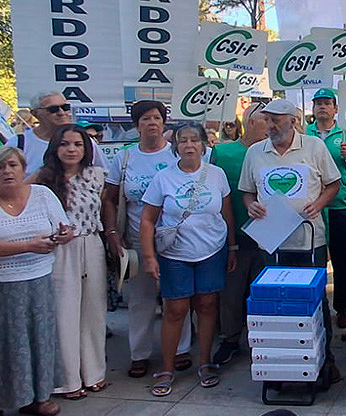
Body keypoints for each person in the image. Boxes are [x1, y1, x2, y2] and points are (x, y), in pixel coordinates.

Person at [239, 98, 342, 382]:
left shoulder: (314, 147)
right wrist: (251, 206)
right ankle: (281, 361)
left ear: (293, 121)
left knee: (315, 300)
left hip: (310, 239)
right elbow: (247, 191)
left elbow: (333, 184)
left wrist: (319, 203)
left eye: (276, 120)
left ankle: (324, 360)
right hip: (271, 241)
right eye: (267, 120)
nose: (270, 126)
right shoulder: (255, 153)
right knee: (276, 302)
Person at [138, 123, 236, 396]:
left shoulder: (216, 174)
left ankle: (205, 363)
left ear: (204, 145)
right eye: (183, 141)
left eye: (195, 140)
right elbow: (147, 219)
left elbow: (226, 213)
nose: (189, 145)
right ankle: (167, 369)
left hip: (212, 251)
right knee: (175, 310)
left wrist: (233, 247)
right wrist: (149, 256)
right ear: (176, 146)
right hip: (175, 254)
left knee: (207, 305)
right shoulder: (164, 178)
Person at [102, 100, 192, 378]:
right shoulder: (125, 158)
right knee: (139, 300)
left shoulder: (176, 156)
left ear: (164, 123)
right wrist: (113, 235)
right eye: (145, 119)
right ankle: (139, 353)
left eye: (156, 118)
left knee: (177, 298)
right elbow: (110, 199)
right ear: (136, 125)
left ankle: (181, 349)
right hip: (136, 241)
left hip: (176, 239)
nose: (151, 123)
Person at [30, 125, 108, 399]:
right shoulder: (42, 179)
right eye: (65, 144)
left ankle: (94, 373)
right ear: (55, 148)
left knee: (94, 313)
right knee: (64, 314)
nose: (71, 150)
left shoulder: (97, 175)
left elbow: (105, 208)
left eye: (78, 144)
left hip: (92, 244)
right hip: (59, 251)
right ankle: (67, 381)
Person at [0, 147, 73, 416]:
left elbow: (64, 226)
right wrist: (27, 246)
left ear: (22, 168)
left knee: (40, 339)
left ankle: (39, 397)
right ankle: (9, 397)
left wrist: (64, 234)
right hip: (4, 284)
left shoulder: (42, 195)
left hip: (39, 279)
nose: (7, 171)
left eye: (12, 165)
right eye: (1, 168)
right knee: (8, 342)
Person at [212, 103, 270, 365]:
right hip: (233, 235)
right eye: (265, 120)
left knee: (264, 290)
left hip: (269, 235)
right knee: (232, 292)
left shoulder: (274, 153)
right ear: (249, 122)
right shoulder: (222, 153)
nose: (270, 126)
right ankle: (231, 338)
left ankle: (263, 339)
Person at [306, 88, 346, 330]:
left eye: (327, 103)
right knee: (314, 258)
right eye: (318, 103)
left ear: (335, 108)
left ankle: (343, 307)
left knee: (342, 262)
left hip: (342, 205)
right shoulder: (303, 134)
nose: (322, 107)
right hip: (312, 205)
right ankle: (314, 307)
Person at [22, 91, 108, 175]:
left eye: (65, 107)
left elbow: (106, 174)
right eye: (53, 109)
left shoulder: (85, 141)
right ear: (35, 114)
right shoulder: (20, 143)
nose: (61, 113)